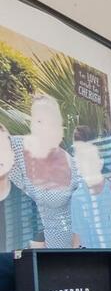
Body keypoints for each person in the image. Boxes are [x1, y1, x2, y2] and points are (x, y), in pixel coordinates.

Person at [9, 93, 83, 248]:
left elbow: (81, 217)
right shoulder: (12, 148)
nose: (44, 127)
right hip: (16, 252)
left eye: (51, 121)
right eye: (38, 120)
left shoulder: (74, 166)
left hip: (60, 256)